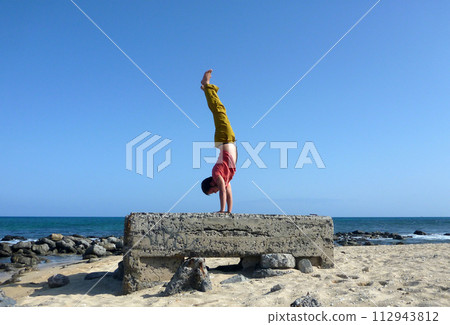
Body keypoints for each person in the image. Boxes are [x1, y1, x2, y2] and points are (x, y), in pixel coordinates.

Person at [200, 69, 237, 213]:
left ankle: (207, 85)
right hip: (229, 140)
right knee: (219, 111)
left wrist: (221, 211)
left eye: (212, 191)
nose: (215, 192)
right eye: (213, 193)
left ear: (211, 183)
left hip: (224, 139)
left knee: (219, 111)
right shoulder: (225, 179)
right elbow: (228, 193)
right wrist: (229, 212)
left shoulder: (216, 173)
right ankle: (206, 90)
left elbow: (222, 191)